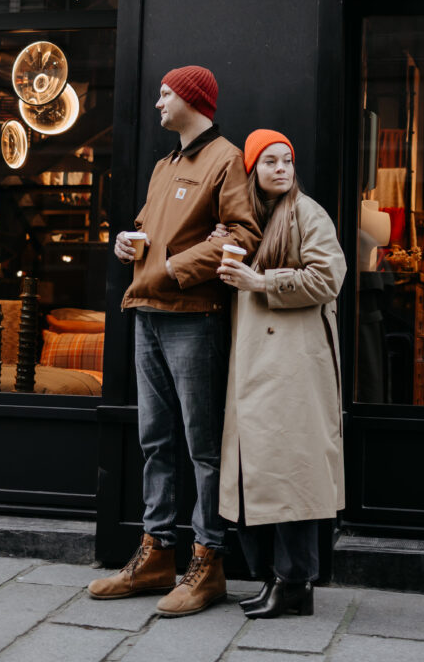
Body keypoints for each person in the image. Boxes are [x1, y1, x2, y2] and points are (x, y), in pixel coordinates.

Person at [88, 66, 261, 617]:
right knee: (155, 441)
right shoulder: (165, 166)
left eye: (166, 94)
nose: (158, 102)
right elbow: (148, 228)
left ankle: (208, 565)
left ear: (192, 99)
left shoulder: (227, 159)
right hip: (147, 313)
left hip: (194, 317)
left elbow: (243, 235)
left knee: (203, 449)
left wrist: (171, 266)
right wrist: (126, 241)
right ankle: (157, 553)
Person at [215, 129, 346, 619]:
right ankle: (274, 579)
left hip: (292, 364)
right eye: (269, 161)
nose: (281, 169)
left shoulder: (308, 213)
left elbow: (329, 277)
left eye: (287, 160)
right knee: (258, 478)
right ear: (252, 169)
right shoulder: (246, 219)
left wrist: (259, 280)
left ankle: (295, 586)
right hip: (254, 364)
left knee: (292, 477)